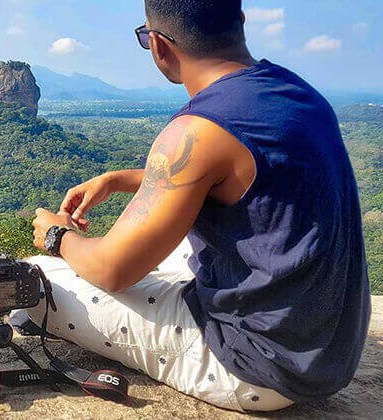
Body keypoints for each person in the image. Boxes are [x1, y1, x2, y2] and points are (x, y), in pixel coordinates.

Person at [19, 0, 371, 412]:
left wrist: (57, 235)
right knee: (171, 242)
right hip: (329, 350)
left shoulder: (197, 129)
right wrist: (118, 180)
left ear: (158, 45)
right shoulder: (297, 93)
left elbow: (112, 271)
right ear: (240, 22)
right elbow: (236, 177)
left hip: (257, 366)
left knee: (30, 281)